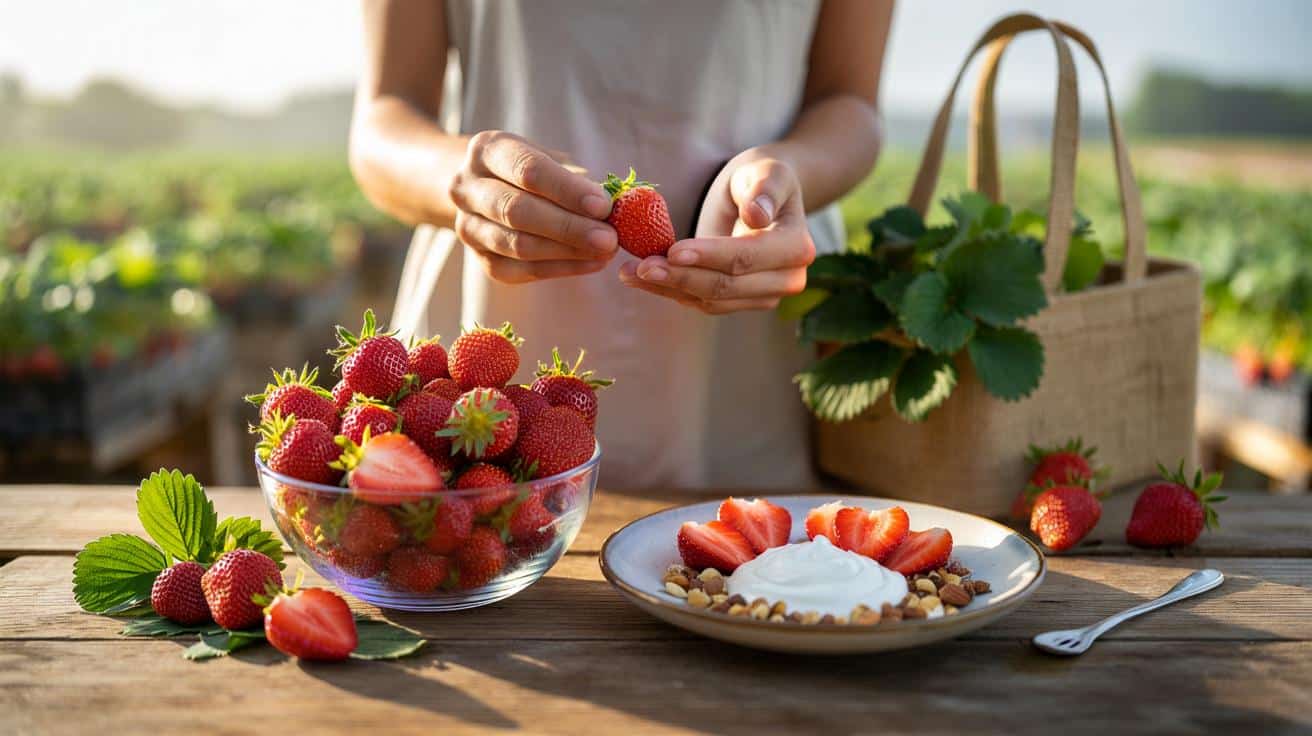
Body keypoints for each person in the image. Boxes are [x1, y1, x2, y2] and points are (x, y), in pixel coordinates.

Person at [350, 0, 893, 489]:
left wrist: (787, 177)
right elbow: (384, 118)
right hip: (491, 318)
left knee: (760, 569)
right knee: (476, 535)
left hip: (750, 323)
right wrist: (462, 182)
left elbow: (850, 102)